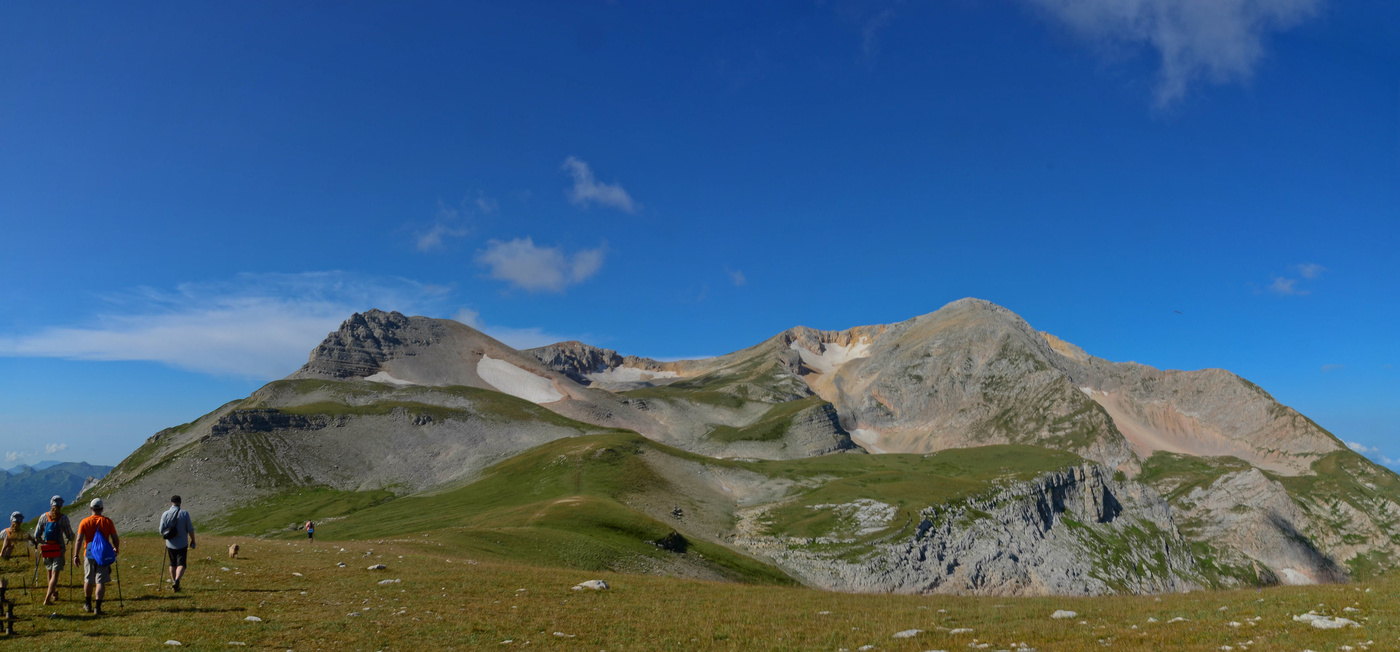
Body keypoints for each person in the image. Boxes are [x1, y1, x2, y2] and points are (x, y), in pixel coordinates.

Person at [74, 498, 119, 616]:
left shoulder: (84, 522)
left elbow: (79, 540)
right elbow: (114, 537)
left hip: (89, 554)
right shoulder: (107, 522)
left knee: (88, 579)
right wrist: (116, 548)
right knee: (100, 581)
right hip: (103, 555)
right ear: (102, 509)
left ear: (91, 509)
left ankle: (87, 604)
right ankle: (98, 607)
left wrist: (76, 555)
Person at [32, 495, 74, 605]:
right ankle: (47, 599)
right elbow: (70, 535)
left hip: (46, 548)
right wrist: (71, 538)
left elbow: (36, 535)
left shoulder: (43, 517)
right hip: (58, 548)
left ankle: (54, 594)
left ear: (51, 504)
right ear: (61, 505)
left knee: (49, 571)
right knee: (55, 574)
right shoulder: (63, 518)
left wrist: (43, 542)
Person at [158, 495, 195, 592]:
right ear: (180, 503)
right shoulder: (184, 514)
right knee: (181, 563)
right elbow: (190, 529)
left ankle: (174, 581)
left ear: (171, 503)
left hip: (170, 543)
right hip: (182, 543)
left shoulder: (165, 514)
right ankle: (177, 580)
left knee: (172, 563)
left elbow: (161, 530)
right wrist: (193, 540)